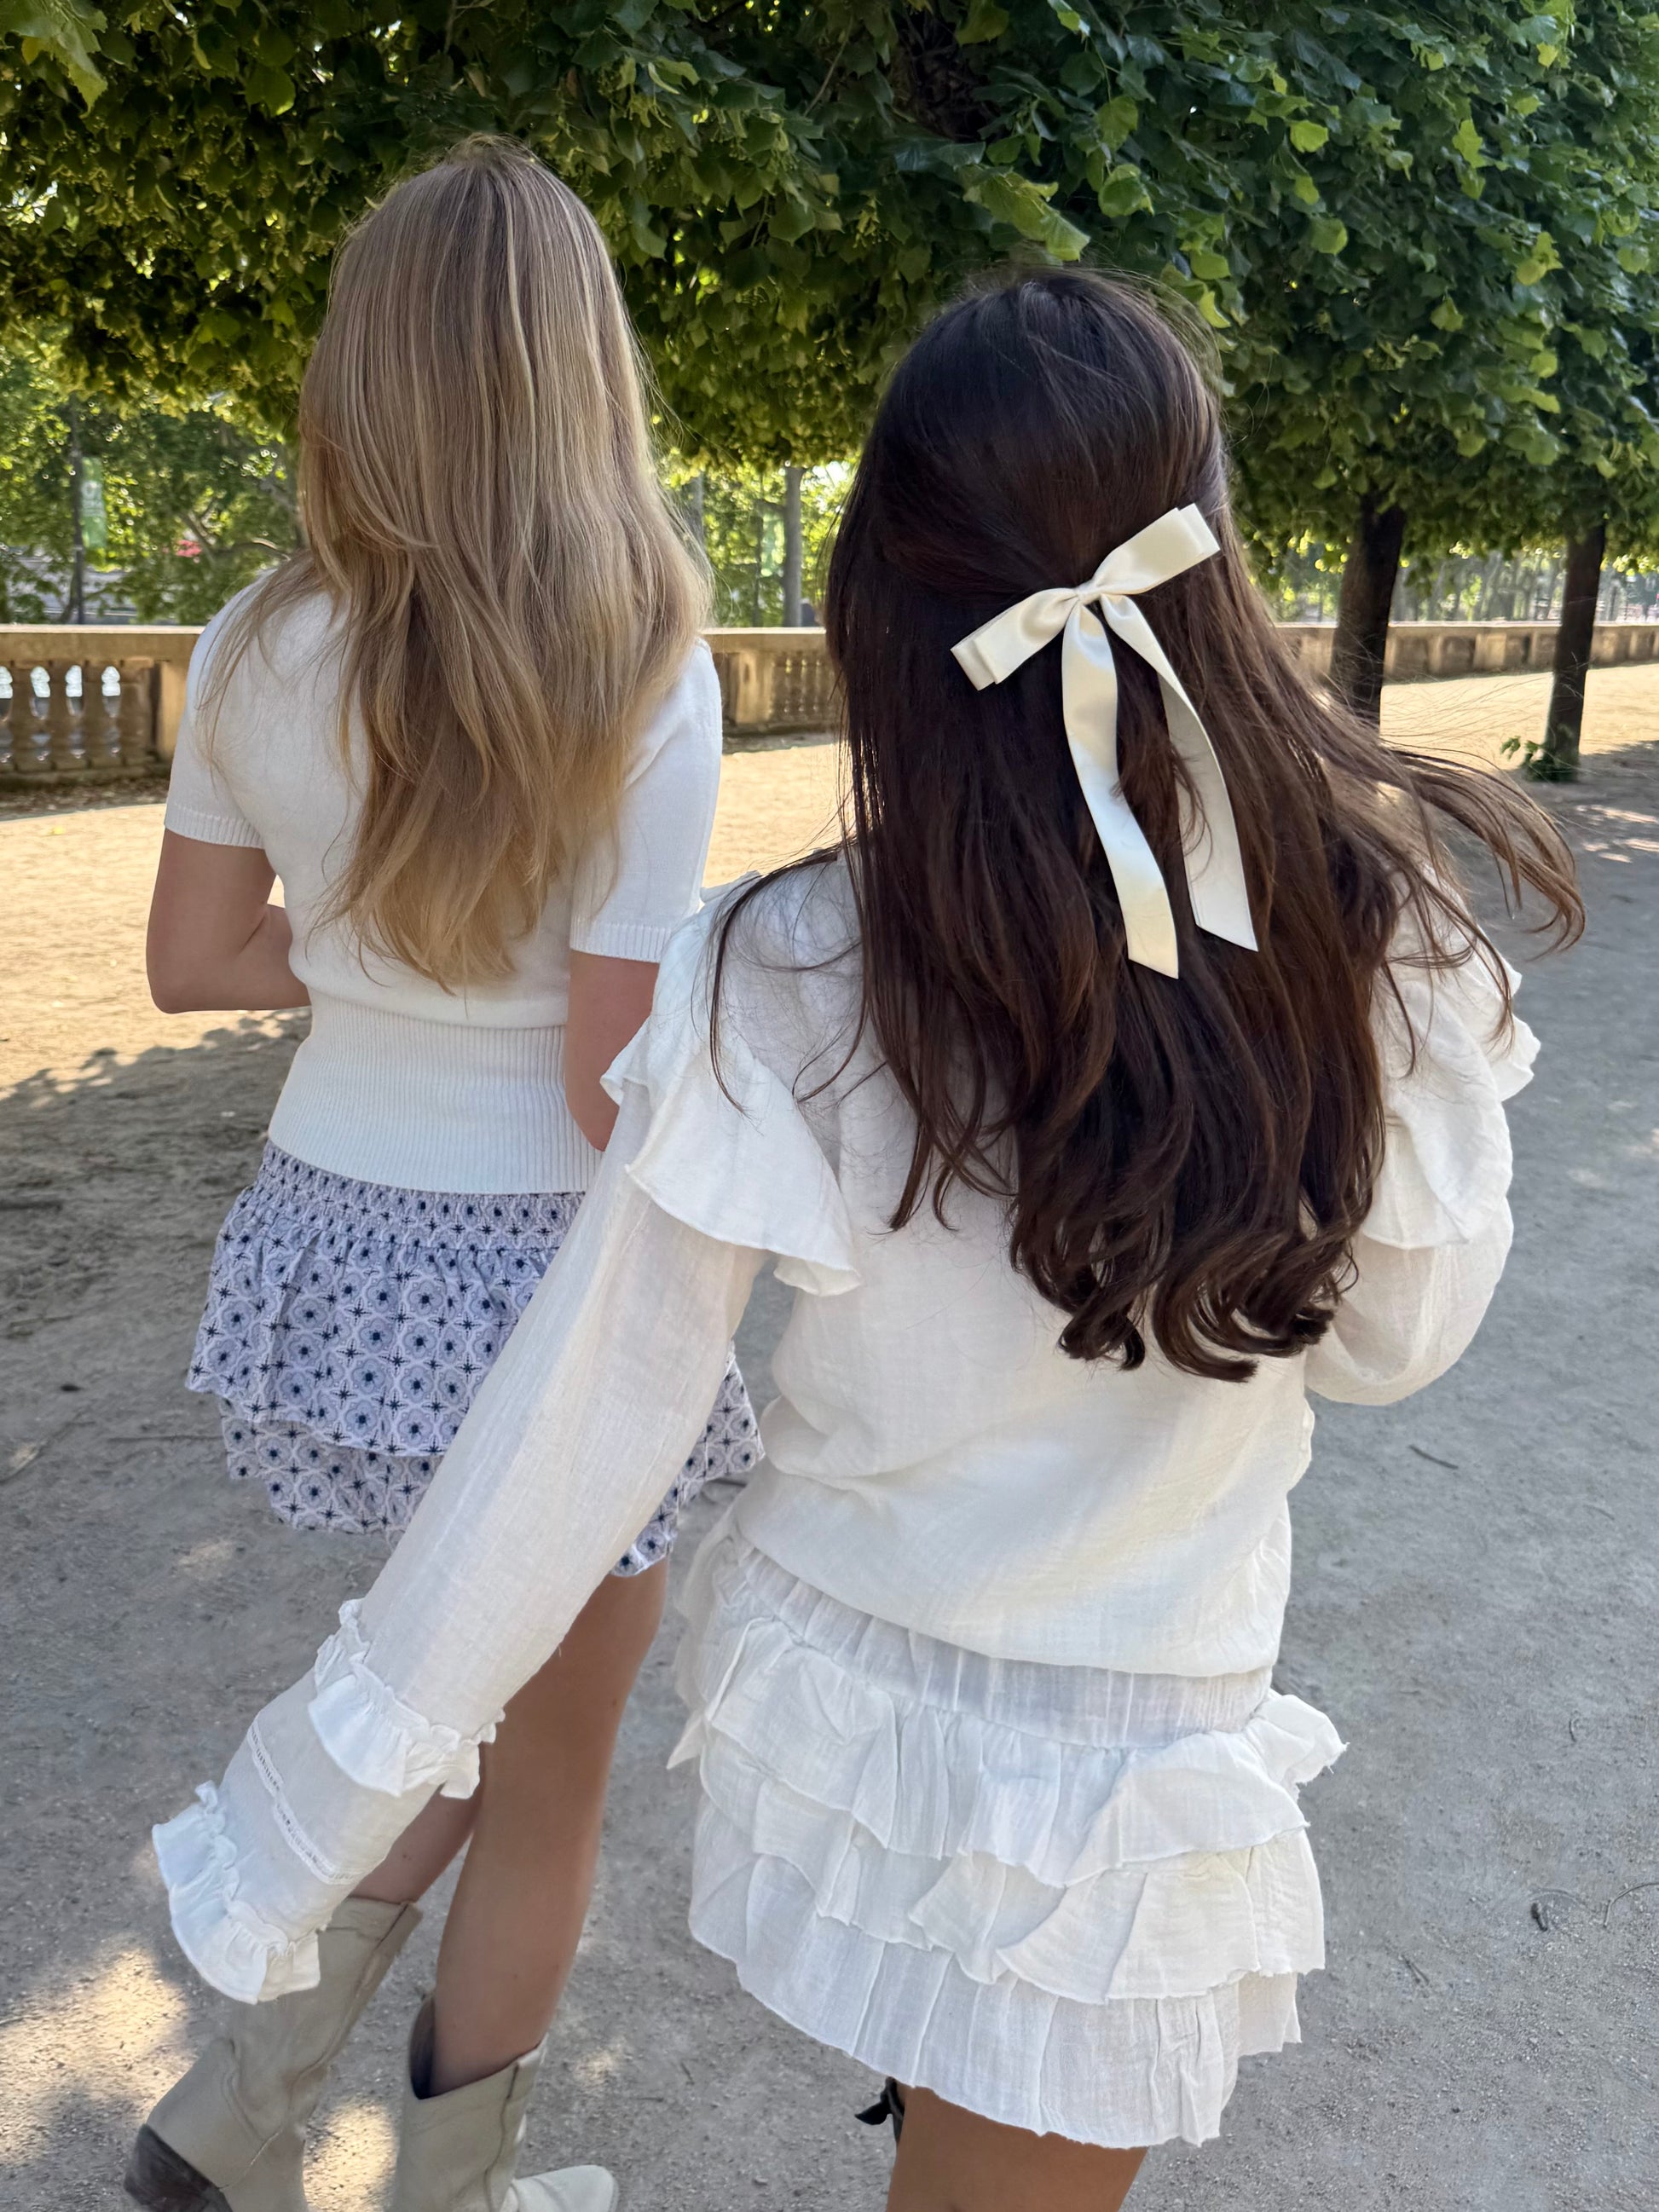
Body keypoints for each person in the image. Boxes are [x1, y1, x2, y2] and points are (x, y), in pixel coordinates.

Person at [147, 269, 1580, 2212]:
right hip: (1123, 1747)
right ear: (1216, 558)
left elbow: (590, 1417)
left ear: (878, 606)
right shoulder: (1369, 932)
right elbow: (1399, 1339)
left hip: (836, 1716)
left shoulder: (790, 963)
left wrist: (309, 1803)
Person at [130, 139, 759, 2212]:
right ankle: (438, 2182)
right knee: (539, 1764)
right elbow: (604, 1084)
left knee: (434, 1700)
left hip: (336, 1241)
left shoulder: (253, 639)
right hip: (542, 1286)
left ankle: (237, 2111)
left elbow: (192, 959)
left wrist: (364, 949)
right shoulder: (643, 652)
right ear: (583, 370)